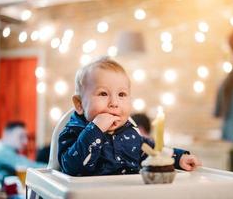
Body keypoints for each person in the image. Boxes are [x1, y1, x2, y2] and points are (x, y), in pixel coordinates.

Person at [58, 57, 201, 176]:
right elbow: (72, 168)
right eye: (103, 94)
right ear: (79, 104)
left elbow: (154, 152)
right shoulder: (73, 132)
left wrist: (179, 158)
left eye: (121, 95)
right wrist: (95, 129)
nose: (114, 103)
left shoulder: (131, 135)